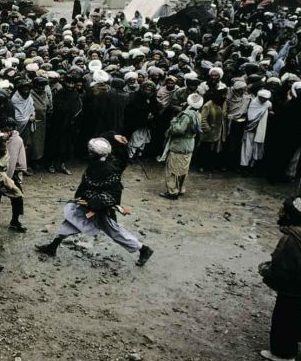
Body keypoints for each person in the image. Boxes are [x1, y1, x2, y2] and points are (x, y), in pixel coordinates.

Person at [36, 138, 153, 266]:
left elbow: (113, 194)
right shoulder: (96, 163)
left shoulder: (109, 169)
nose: (89, 153)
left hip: (100, 209)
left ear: (97, 154)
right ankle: (53, 247)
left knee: (115, 232)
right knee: (71, 221)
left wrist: (93, 202)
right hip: (87, 205)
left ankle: (144, 249)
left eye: (91, 152)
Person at [259, 197, 301, 361]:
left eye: (283, 211)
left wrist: (265, 270)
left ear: (290, 215)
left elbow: (283, 271)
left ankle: (284, 353)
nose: (279, 213)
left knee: (283, 319)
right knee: (295, 317)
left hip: (297, 288)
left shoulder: (292, 240)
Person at [160, 93, 202, 200]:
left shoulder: (186, 115)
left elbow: (178, 130)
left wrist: (174, 122)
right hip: (189, 144)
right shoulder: (198, 114)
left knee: (172, 170)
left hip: (179, 145)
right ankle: (180, 188)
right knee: (183, 169)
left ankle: (172, 192)